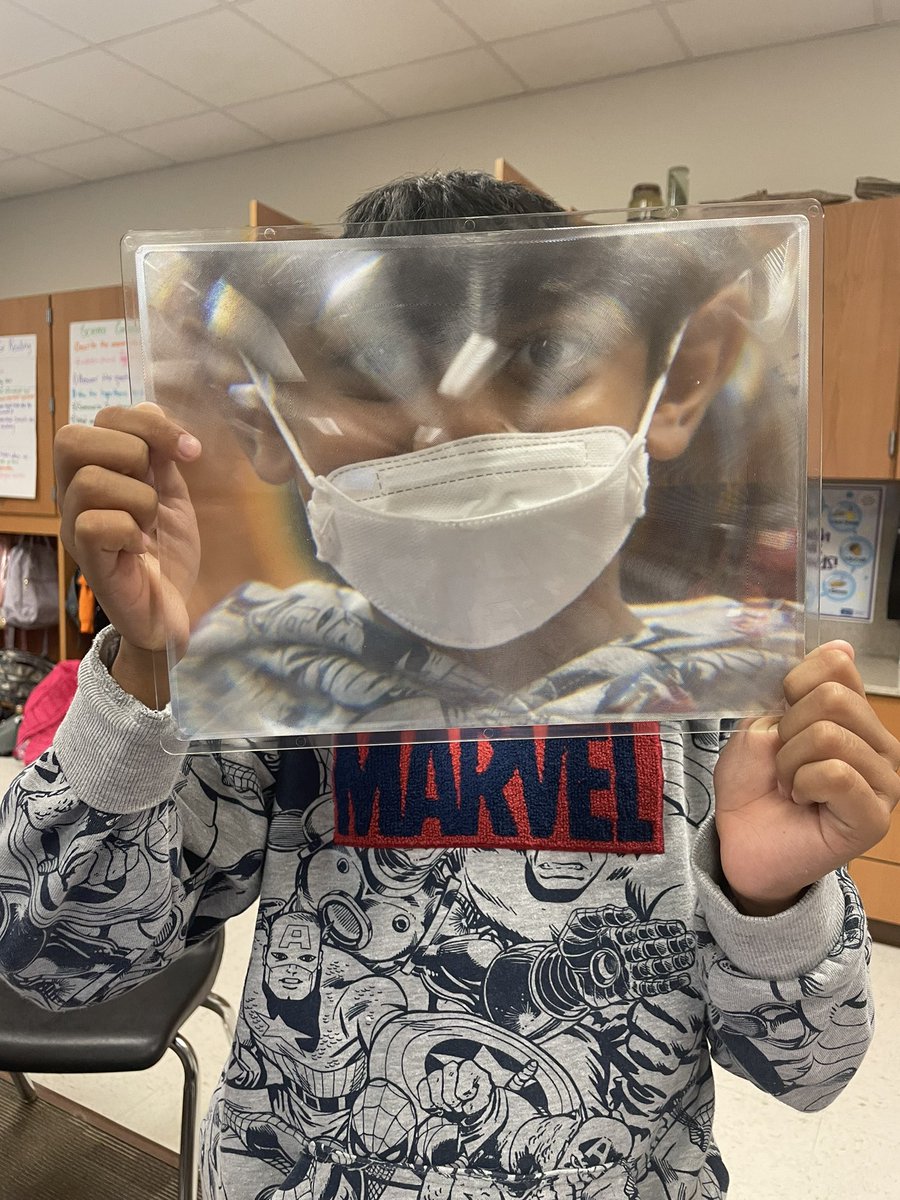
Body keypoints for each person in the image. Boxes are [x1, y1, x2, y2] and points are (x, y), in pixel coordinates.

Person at [1, 172, 897, 1200]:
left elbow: (813, 1071)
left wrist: (768, 893)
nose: (457, 428)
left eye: (542, 354)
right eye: (379, 373)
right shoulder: (275, 676)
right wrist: (144, 669)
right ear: (275, 428)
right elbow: (52, 961)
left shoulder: (722, 700)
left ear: (677, 383)